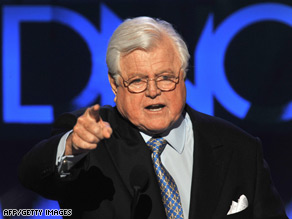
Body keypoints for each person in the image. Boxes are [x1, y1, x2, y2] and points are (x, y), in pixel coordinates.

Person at [18, 17, 288, 219]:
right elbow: (31, 174)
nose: (153, 91)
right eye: (137, 81)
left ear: (183, 76)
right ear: (115, 85)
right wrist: (71, 147)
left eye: (165, 78)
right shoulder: (90, 141)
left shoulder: (239, 148)